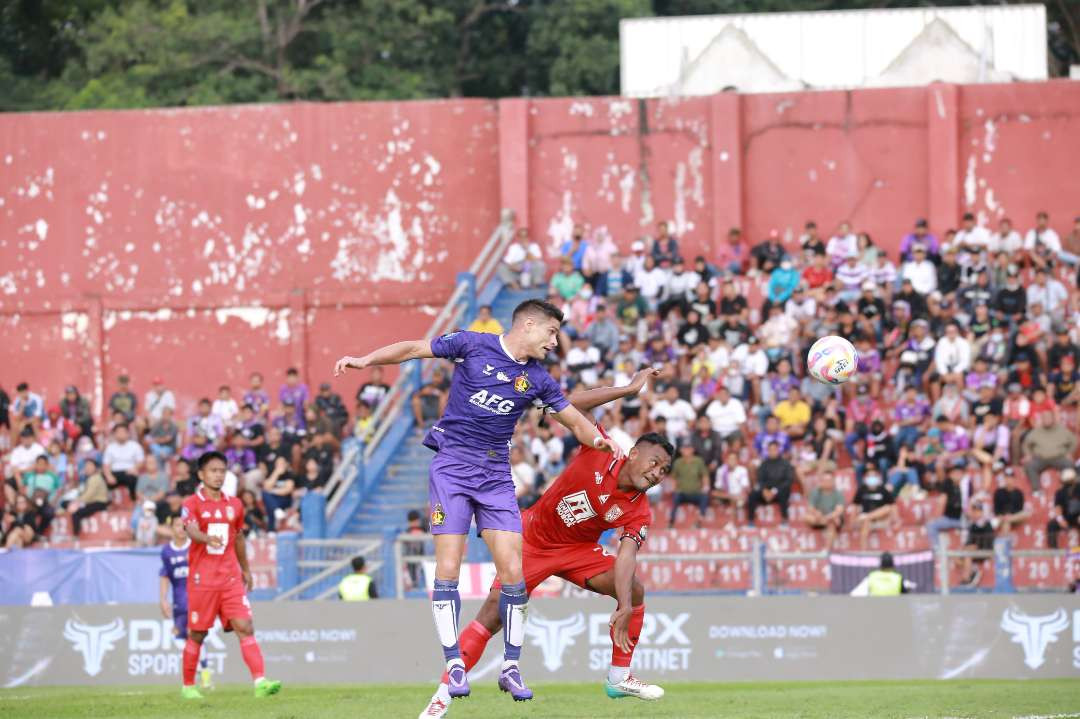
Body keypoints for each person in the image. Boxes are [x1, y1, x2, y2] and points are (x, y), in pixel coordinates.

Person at [334, 299, 621, 703]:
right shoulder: (472, 344)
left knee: (514, 574)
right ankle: (453, 662)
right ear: (529, 325)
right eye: (551, 333)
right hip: (452, 467)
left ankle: (511, 666)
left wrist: (599, 440)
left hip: (495, 476)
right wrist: (365, 360)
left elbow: (572, 417)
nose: (555, 342)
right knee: (448, 567)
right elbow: (414, 349)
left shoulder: (538, 378)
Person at [418, 424, 673, 718]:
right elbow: (571, 407)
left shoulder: (640, 510)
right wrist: (626, 389)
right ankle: (442, 696)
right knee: (491, 616)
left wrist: (625, 605)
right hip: (533, 540)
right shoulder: (600, 449)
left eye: (664, 471)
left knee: (635, 588)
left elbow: (627, 554)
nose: (657, 473)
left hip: (577, 550)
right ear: (633, 453)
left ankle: (619, 677)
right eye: (654, 463)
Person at [179, 451, 281, 699]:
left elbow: (238, 538)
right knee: (198, 634)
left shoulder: (234, 505)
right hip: (203, 579)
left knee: (245, 626)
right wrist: (205, 538)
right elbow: (191, 530)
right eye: (213, 470)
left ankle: (260, 683)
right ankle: (188, 687)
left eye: (222, 471)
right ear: (201, 474)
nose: (218, 475)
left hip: (230, 578)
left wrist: (246, 569)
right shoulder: (191, 503)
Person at [159, 515, 212, 690]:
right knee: (178, 637)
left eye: (184, 526)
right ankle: (203, 669)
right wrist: (163, 599)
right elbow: (165, 575)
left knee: (194, 636)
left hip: (197, 598)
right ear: (172, 528)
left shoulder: (195, 546)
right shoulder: (166, 551)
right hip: (178, 601)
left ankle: (203, 674)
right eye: (177, 525)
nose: (181, 528)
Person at [1022, 412, 1077, 494]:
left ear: (1053, 419)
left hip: (1058, 457)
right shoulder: (1036, 431)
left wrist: (1069, 453)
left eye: (1048, 418)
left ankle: (1067, 490)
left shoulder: (1061, 430)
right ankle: (1036, 490)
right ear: (1042, 420)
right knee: (1029, 466)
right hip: (1040, 458)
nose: (1046, 420)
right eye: (1044, 418)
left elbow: (1074, 441)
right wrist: (1028, 454)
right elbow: (1026, 444)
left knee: (1069, 464)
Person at [747, 440, 794, 526]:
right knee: (752, 495)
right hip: (765, 491)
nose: (772, 452)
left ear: (778, 450)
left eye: (774, 449)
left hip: (780, 490)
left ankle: (784, 519)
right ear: (767, 451)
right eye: (770, 450)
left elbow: (788, 480)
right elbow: (760, 479)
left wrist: (774, 491)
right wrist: (764, 490)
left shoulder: (785, 464)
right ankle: (751, 520)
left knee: (784, 492)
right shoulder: (764, 464)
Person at [668, 442, 710, 527]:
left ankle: (699, 520)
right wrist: (674, 488)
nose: (686, 451)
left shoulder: (698, 461)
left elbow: (705, 475)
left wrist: (705, 487)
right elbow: (673, 477)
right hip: (682, 493)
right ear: (681, 450)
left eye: (688, 448)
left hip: (696, 493)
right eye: (684, 448)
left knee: (705, 496)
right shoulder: (678, 462)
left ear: (692, 450)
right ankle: (671, 522)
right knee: (675, 497)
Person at [102, 423, 144, 502]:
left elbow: (141, 461)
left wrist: (134, 468)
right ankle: (107, 502)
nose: (121, 434)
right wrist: (108, 476)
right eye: (118, 432)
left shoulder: (135, 446)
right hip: (114, 472)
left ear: (128, 433)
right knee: (101, 478)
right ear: (114, 434)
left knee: (133, 478)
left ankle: (134, 499)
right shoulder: (110, 447)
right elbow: (106, 465)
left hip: (129, 472)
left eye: (123, 432)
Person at [805, 473, 845, 550]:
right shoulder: (815, 492)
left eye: (829, 480)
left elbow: (839, 510)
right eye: (825, 480)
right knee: (807, 517)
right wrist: (817, 513)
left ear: (833, 482)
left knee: (834, 522)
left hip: (831, 518)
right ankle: (804, 546)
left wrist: (827, 517)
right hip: (819, 518)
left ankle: (827, 549)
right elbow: (811, 507)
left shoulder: (838, 493)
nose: (827, 482)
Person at [1047, 468, 1080, 549]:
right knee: (1052, 525)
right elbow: (1058, 507)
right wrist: (1060, 519)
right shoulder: (1060, 492)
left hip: (1078, 516)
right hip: (1066, 517)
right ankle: (1054, 550)